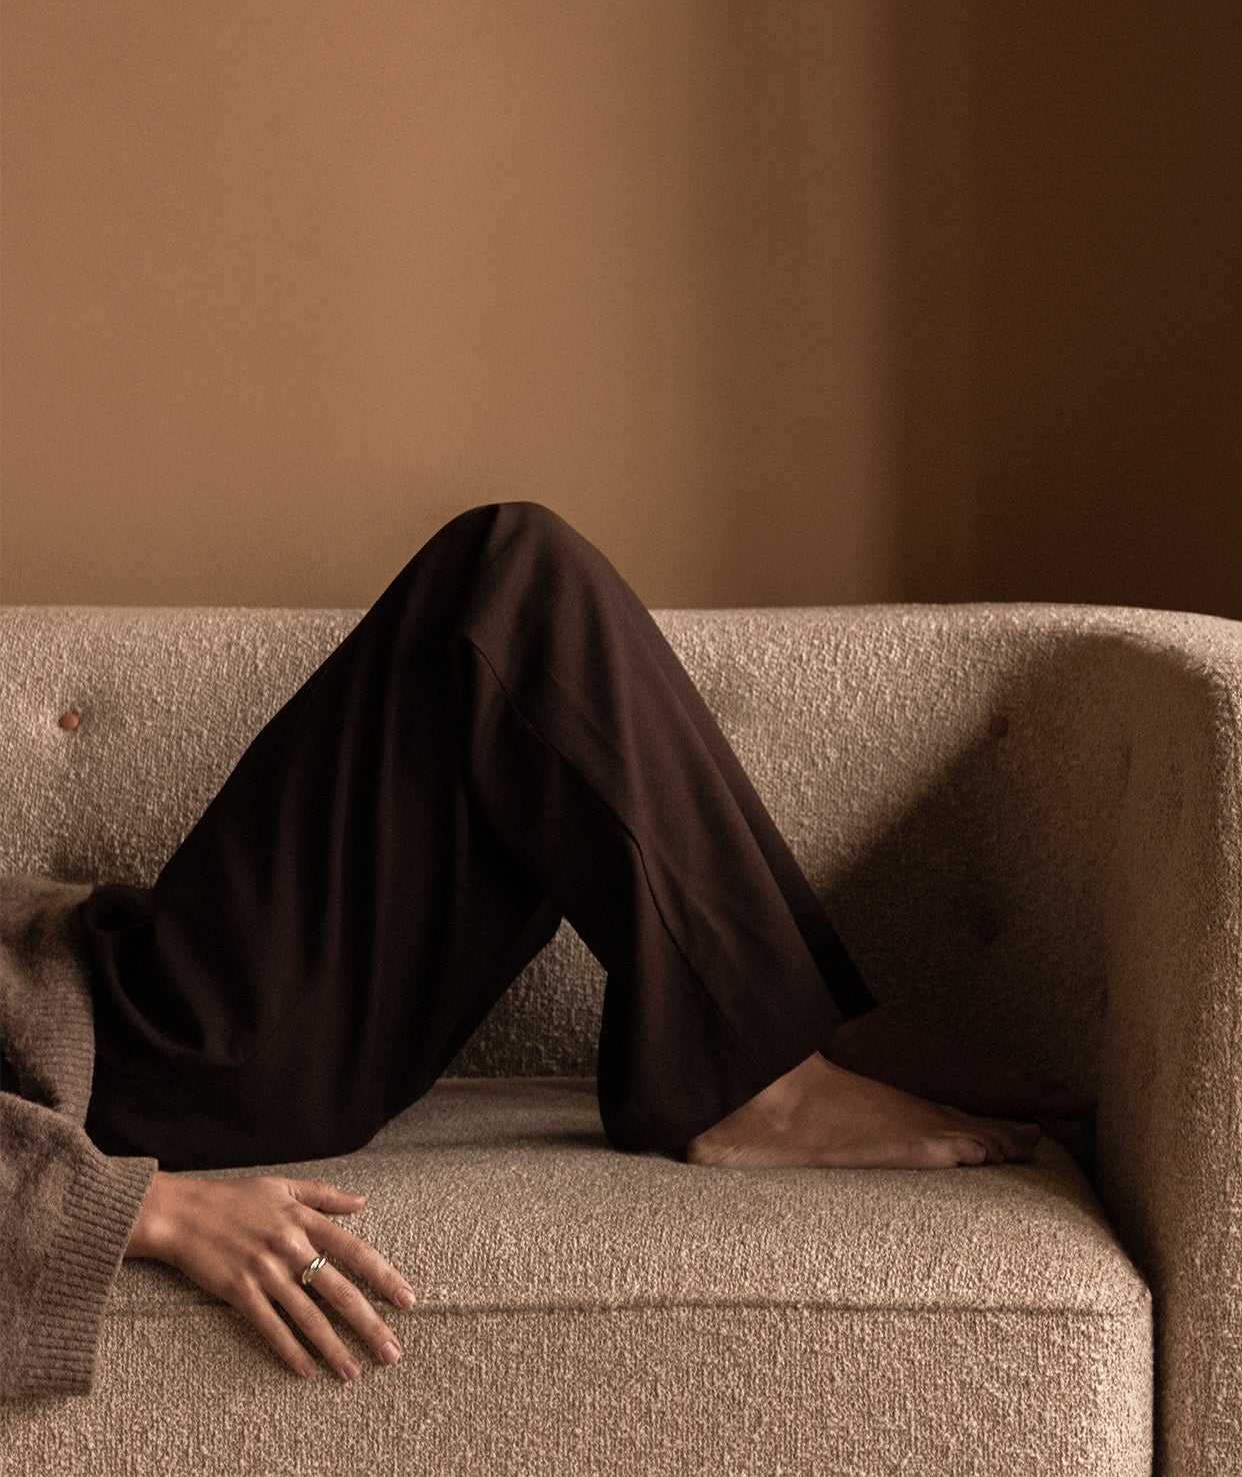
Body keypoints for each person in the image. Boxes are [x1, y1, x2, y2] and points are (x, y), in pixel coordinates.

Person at [3, 500, 1092, 1395]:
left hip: (99, 970)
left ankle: (814, 1026)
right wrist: (152, 1208)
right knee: (506, 572)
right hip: (119, 1062)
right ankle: (756, 1078)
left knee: (518, 578)